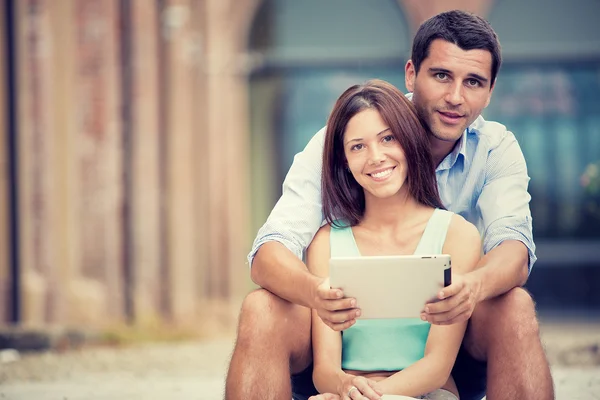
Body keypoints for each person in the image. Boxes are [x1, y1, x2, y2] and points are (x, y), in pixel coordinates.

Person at [225, 10, 554, 400]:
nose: (455, 97)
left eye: (474, 82)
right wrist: (319, 296)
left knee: (514, 306)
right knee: (260, 308)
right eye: (442, 75)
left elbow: (513, 249)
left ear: (490, 90)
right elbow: (269, 252)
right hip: (337, 356)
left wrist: (471, 287)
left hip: (448, 349)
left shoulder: (496, 149)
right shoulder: (341, 137)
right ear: (412, 74)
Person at [308, 79, 480, 400]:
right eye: (357, 146)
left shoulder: (457, 236)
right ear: (344, 161)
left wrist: (372, 397)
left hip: (429, 393)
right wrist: (345, 388)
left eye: (388, 138)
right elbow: (324, 369)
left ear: (409, 141)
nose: (375, 157)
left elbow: (438, 365)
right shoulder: (325, 242)